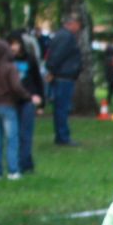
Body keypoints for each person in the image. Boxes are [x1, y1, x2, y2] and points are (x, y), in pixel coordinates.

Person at [0, 40, 28, 181]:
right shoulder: (10, 68)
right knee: (11, 139)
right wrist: (27, 96)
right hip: (8, 105)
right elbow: (16, 86)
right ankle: (13, 171)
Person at [8, 31, 46, 174]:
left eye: (16, 44)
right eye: (11, 44)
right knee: (14, 134)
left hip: (28, 99)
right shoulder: (7, 61)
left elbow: (37, 80)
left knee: (26, 133)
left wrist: (41, 100)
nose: (14, 47)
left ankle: (26, 163)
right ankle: (18, 162)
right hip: (11, 101)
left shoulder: (29, 59)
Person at [46, 13, 84, 146]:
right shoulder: (66, 37)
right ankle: (63, 137)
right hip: (64, 76)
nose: (79, 27)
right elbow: (58, 55)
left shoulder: (60, 35)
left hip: (62, 75)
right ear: (71, 23)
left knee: (61, 107)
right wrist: (52, 69)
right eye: (77, 24)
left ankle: (61, 135)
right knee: (62, 107)